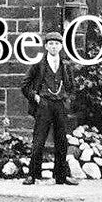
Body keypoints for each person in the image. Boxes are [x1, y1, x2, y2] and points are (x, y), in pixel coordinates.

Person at [20, 31, 79, 186]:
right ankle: (33, 175)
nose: (54, 47)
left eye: (57, 44)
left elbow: (72, 88)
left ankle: (61, 176)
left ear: (61, 46)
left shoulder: (66, 66)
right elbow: (25, 85)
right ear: (46, 46)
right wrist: (35, 97)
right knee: (38, 140)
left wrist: (67, 100)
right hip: (44, 104)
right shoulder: (39, 64)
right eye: (51, 44)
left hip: (60, 105)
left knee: (61, 141)